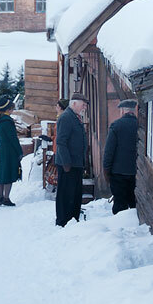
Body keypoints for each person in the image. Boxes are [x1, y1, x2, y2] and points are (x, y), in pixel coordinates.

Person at [55, 96, 89, 226]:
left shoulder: (74, 117)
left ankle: (73, 219)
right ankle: (63, 221)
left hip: (76, 163)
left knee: (74, 193)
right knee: (66, 194)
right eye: (83, 105)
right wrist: (66, 163)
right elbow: (61, 142)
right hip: (68, 164)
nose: (84, 108)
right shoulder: (66, 118)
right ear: (74, 104)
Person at [104, 99, 140, 214]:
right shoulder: (140, 126)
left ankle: (119, 226)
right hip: (136, 172)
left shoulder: (116, 126)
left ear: (123, 111)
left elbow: (109, 151)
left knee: (119, 203)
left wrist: (106, 170)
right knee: (134, 203)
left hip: (118, 172)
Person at [0, 101, 23, 206]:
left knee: (1, 173)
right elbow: (13, 138)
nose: (13, 111)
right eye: (12, 109)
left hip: (1, 148)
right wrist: (19, 151)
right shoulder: (8, 121)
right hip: (9, 150)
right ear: (8, 109)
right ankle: (6, 198)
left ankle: (1, 197)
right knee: (8, 173)